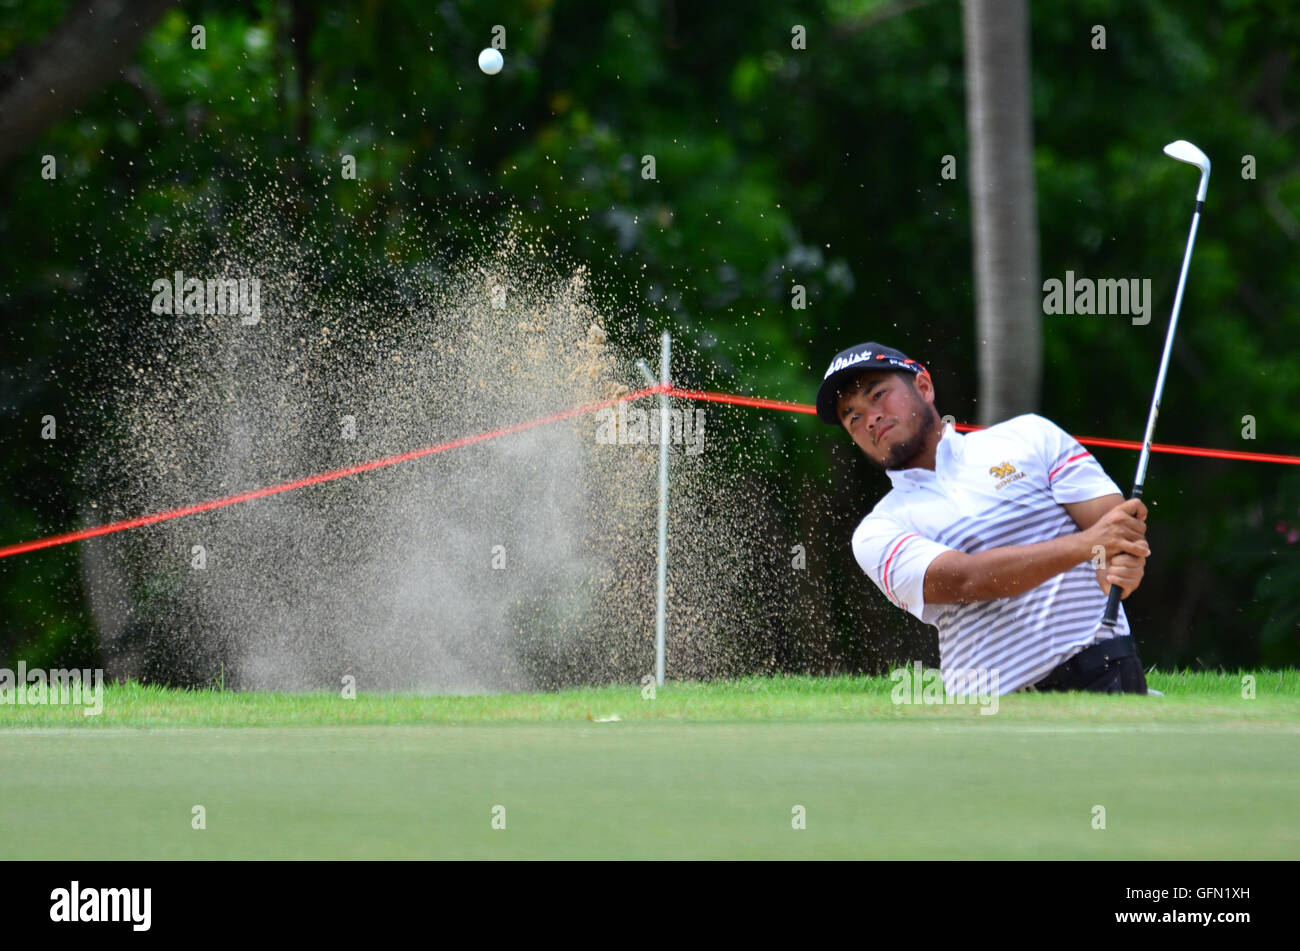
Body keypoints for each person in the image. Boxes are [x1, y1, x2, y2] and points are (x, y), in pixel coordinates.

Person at [816, 341, 1153, 695]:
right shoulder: (876, 531)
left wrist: (1119, 558)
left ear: (924, 386)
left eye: (878, 395)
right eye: (852, 417)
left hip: (1104, 672)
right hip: (992, 710)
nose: (870, 418)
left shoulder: (1030, 436)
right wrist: (1087, 546)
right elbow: (967, 580)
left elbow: (1112, 528)